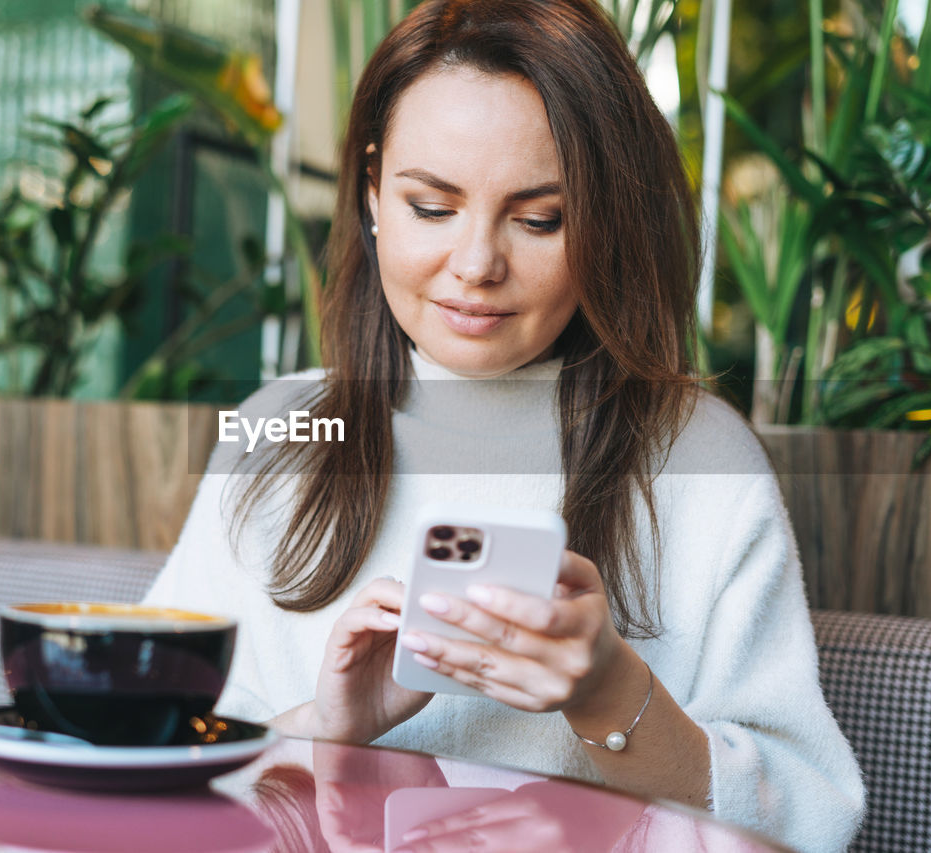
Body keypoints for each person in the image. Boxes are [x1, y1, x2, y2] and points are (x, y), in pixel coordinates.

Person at [144, 0, 865, 850]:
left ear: (605, 223)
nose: (477, 264)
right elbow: (140, 762)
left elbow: (816, 823)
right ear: (374, 192)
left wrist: (610, 699)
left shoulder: (699, 457)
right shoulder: (282, 431)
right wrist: (325, 728)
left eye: (539, 219)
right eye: (431, 206)